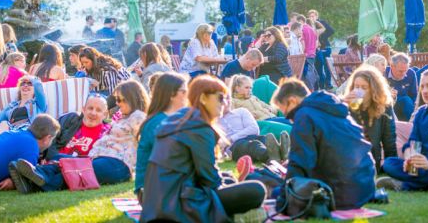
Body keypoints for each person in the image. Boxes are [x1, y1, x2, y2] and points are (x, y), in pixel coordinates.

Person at [140, 75, 266, 221]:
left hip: (158, 203)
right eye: (220, 98)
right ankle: (240, 217)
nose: (224, 103)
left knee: (228, 178)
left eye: (226, 98)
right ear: (203, 98)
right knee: (257, 190)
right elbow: (209, 179)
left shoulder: (180, 119)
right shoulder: (200, 126)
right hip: (181, 206)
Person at [13, 81, 149, 193]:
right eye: (116, 99)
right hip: (100, 160)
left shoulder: (138, 117)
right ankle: (32, 173)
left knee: (80, 170)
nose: (117, 103)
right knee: (64, 163)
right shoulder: (122, 118)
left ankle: (36, 184)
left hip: (119, 164)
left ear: (132, 98)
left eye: (120, 99)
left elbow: (150, 142)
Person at [271, 78, 375, 209]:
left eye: (286, 113)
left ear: (292, 100)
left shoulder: (304, 115)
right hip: (365, 188)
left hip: (339, 193)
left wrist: (285, 197)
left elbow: (300, 163)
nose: (289, 119)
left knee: (276, 192)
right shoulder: (334, 110)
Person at [134, 72, 188, 201]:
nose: (188, 96)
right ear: (171, 95)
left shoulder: (172, 118)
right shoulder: (159, 122)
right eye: (184, 92)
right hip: (153, 191)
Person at [343, 66, 397, 172]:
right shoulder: (346, 105)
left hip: (370, 159)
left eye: (364, 88)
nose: (359, 91)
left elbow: (389, 139)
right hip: (348, 156)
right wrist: (342, 107)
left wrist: (392, 166)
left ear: (374, 89)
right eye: (356, 86)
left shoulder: (383, 107)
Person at [43, 94, 111, 161]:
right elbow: (52, 137)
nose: (93, 113)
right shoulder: (71, 119)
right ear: (83, 110)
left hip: (81, 169)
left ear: (105, 114)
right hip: (54, 164)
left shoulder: (108, 133)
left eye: (98, 110)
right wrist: (52, 158)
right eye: (90, 108)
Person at [385, 53, 418, 121]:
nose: (403, 74)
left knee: (406, 100)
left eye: (405, 70)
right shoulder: (384, 73)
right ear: (392, 66)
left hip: (406, 105)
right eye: (400, 71)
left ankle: (412, 125)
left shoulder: (411, 73)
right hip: (387, 104)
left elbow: (415, 95)